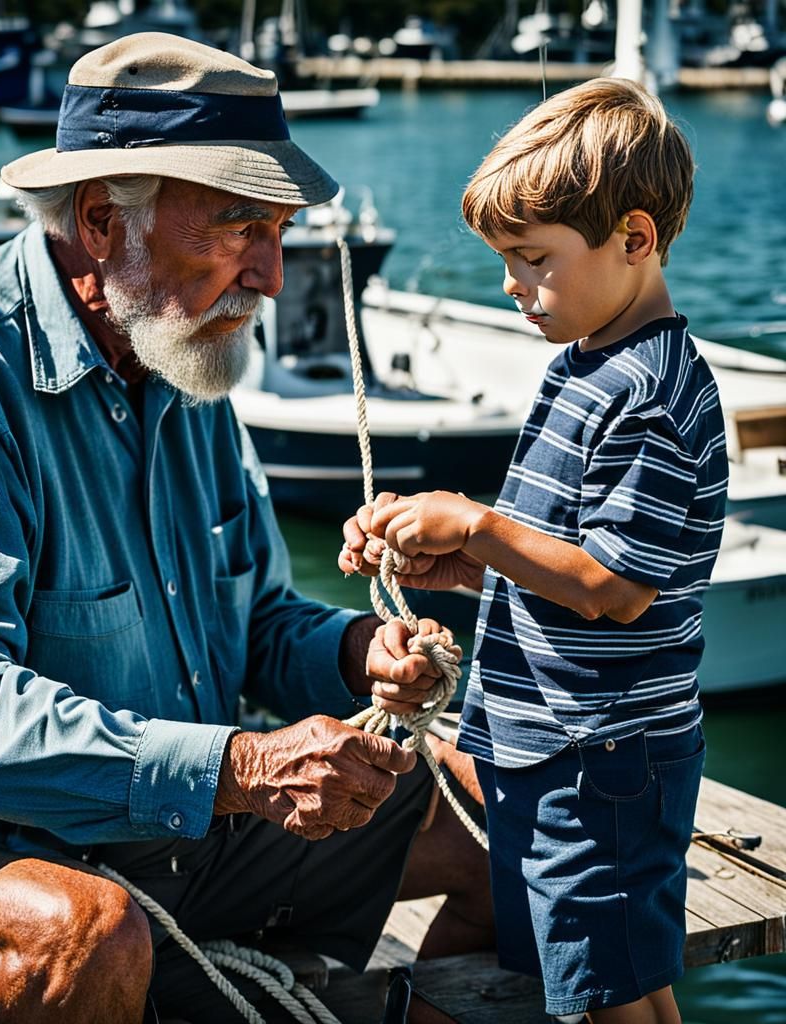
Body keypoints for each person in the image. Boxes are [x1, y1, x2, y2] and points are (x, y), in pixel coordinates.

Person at [0, 33, 491, 1024]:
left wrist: (362, 649)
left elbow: (257, 620)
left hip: (151, 820)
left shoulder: (186, 358)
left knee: (506, 819)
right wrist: (241, 767)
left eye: (278, 231)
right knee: (85, 935)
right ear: (103, 220)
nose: (272, 274)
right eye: (240, 226)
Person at [341, 78, 728, 1024]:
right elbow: (565, 557)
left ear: (635, 239)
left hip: (602, 759)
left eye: (533, 259)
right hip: (541, 749)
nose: (512, 284)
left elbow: (616, 586)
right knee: (559, 969)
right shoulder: (585, 368)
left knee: (618, 991)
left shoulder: (652, 395)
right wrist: (455, 566)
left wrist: (473, 523)